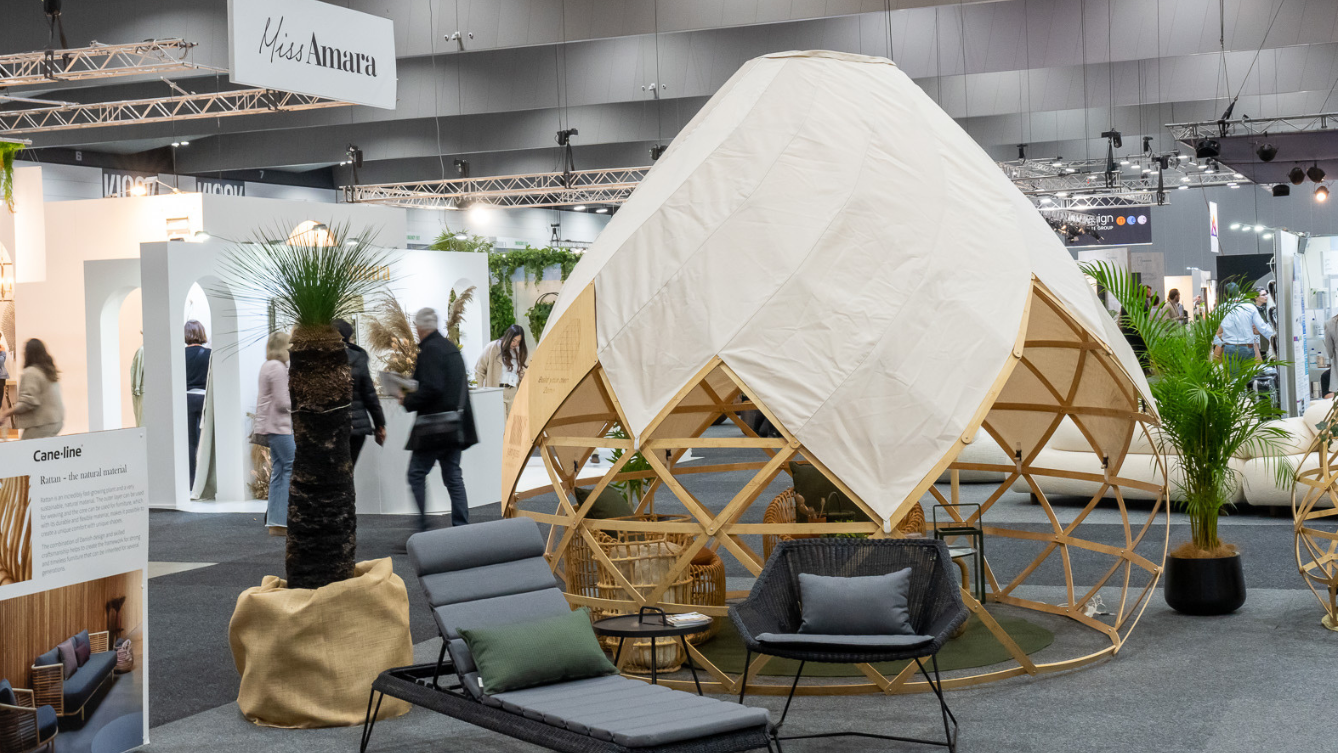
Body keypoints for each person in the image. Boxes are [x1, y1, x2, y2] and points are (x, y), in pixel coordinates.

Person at [403, 307, 477, 531]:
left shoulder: (430, 350)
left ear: (420, 327)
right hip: (456, 426)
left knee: (416, 473)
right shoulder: (451, 349)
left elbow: (432, 387)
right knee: (453, 476)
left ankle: (424, 527)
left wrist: (407, 400)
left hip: (433, 429)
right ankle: (461, 526)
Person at [255, 332, 293, 535]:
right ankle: (280, 520)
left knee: (279, 471)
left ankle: (276, 521)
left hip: (272, 427)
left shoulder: (266, 366)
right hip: (281, 426)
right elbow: (283, 402)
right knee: (288, 467)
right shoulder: (278, 369)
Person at [334, 319, 385, 464]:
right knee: (348, 471)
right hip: (356, 427)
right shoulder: (358, 357)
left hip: (332, 427)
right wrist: (380, 424)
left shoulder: (322, 358)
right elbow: (369, 394)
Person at [0, 339, 64, 439]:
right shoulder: (48, 371)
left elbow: (28, 401)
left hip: (42, 423)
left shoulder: (31, 372)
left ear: (28, 353)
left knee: (25, 448)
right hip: (56, 421)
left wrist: (6, 413)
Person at [1218, 282, 1274, 375]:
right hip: (1247, 347)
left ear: (1225, 295)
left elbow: (1217, 331)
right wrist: (1275, 338)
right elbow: (1263, 328)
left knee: (1234, 380)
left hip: (1229, 347)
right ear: (1239, 293)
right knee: (1248, 378)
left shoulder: (1221, 309)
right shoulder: (1249, 307)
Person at [475, 324, 527, 416]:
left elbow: (520, 371)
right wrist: (480, 392)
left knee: (511, 427)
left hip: (513, 393)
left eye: (518, 341)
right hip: (497, 393)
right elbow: (479, 370)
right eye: (514, 340)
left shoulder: (518, 351)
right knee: (500, 426)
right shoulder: (492, 348)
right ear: (508, 337)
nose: (515, 344)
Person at [184, 320, 211, 486]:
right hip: (204, 399)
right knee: (205, 440)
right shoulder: (209, 354)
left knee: (190, 442)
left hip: (186, 399)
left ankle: (191, 481)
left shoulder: (179, 355)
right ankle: (204, 481)